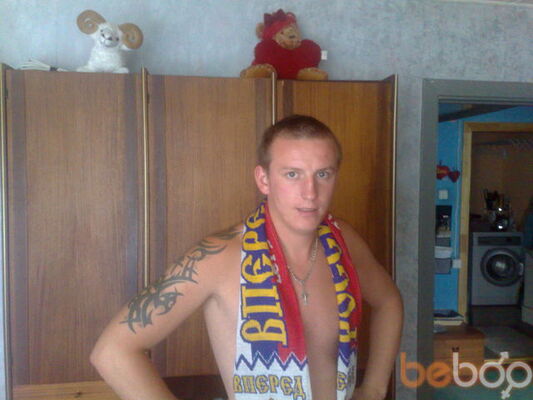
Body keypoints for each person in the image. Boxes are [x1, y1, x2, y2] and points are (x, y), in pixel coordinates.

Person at [91, 115, 403, 400]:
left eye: (323, 174)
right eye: (292, 174)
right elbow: (113, 351)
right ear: (264, 179)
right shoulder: (218, 257)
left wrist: (374, 389)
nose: (310, 192)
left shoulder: (343, 242)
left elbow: (388, 301)